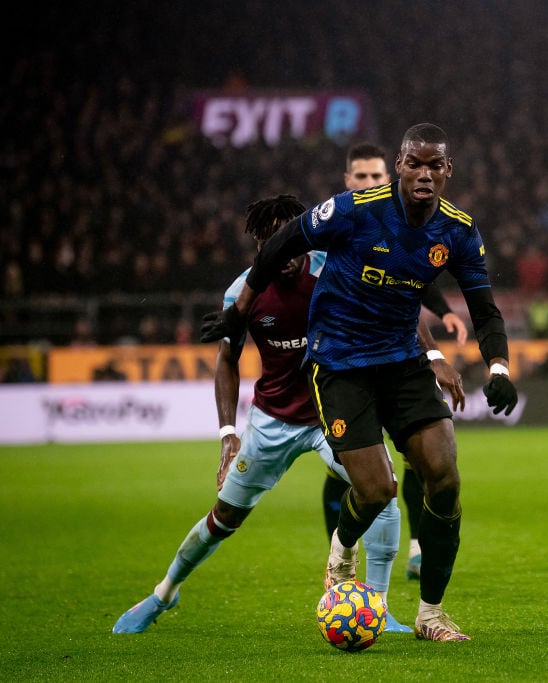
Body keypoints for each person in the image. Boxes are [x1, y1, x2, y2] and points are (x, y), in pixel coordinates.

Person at [200, 123, 518, 642]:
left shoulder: (458, 231)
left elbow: (485, 310)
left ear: (447, 172)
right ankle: (343, 549)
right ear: (399, 164)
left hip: (401, 360)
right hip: (341, 362)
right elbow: (283, 240)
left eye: (434, 165)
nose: (423, 173)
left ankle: (431, 614)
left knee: (445, 477)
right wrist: (238, 313)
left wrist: (499, 367)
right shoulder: (355, 210)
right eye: (414, 162)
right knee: (377, 490)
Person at [112, 195, 464, 635]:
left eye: (289, 238)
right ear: (261, 247)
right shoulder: (243, 292)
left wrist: (431, 352)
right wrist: (228, 433)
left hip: (330, 413)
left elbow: (393, 306)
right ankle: (164, 592)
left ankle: (378, 606)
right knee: (224, 518)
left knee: (382, 492)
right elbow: (226, 361)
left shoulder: (333, 269)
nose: (285, 253)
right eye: (270, 242)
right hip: (272, 420)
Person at [320, 141, 469, 585]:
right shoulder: (341, 227)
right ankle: (341, 557)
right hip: (338, 362)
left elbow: (410, 281)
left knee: (414, 462)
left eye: (375, 176)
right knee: (350, 470)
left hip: (392, 360)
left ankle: (417, 548)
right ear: (348, 180)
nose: (369, 183)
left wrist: (440, 317)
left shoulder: (401, 226)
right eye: (360, 176)